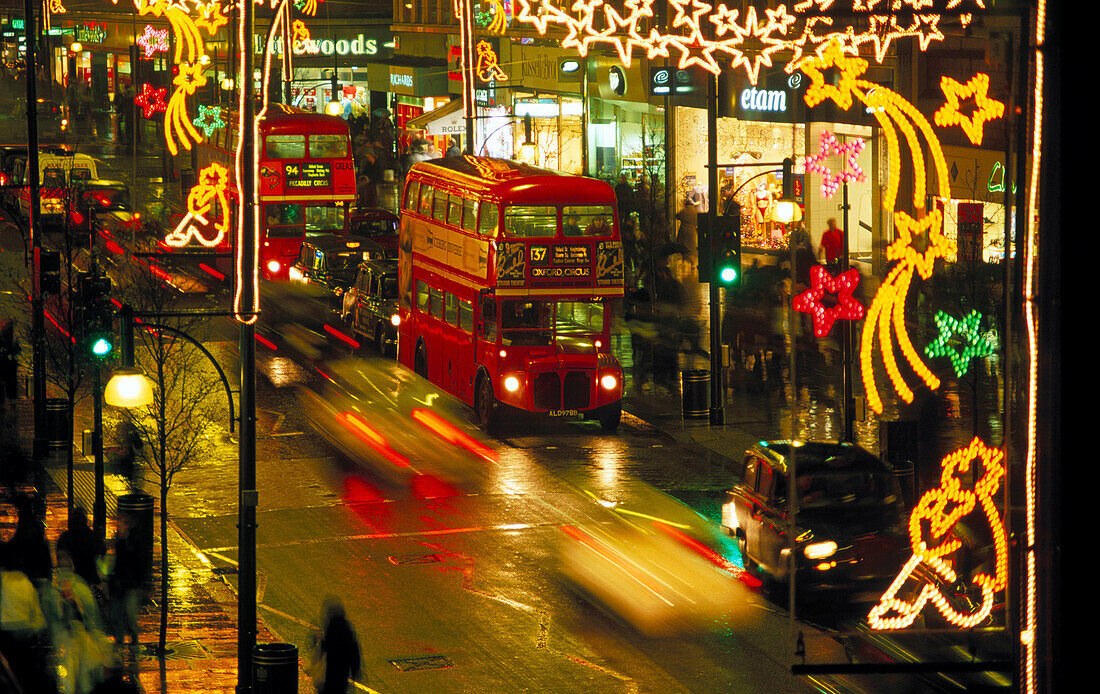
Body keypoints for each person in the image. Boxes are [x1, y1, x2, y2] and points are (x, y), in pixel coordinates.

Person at [107, 512, 150, 649]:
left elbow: (141, 564)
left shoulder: (134, 543)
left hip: (131, 584)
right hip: (121, 584)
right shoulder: (120, 543)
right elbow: (118, 564)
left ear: (127, 526)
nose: (117, 527)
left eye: (120, 523)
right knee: (116, 613)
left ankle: (133, 637)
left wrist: (142, 585)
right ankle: (120, 638)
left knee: (129, 612)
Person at [310, 599, 362, 694]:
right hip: (342, 675)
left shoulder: (329, 631)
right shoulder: (348, 631)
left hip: (329, 676)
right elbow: (354, 653)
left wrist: (316, 640)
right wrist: (355, 671)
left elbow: (321, 649)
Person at [57, 507, 107, 597]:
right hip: (92, 582)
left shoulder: (65, 538)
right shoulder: (95, 537)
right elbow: (101, 557)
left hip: (73, 583)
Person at [0, 319, 19, 414]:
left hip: (5, 364)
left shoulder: (3, 337)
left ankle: (3, 404)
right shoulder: (12, 339)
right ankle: (12, 403)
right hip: (10, 365)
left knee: (3, 384)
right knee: (11, 384)